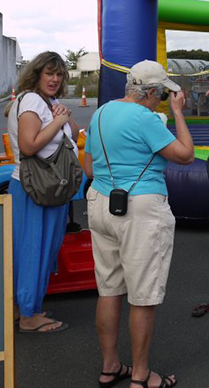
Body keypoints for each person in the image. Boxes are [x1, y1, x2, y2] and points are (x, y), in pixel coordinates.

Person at [84, 60, 195, 388]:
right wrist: (177, 113)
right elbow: (186, 154)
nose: (162, 100)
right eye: (162, 95)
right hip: (141, 208)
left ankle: (110, 366)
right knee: (143, 294)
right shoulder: (147, 118)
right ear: (149, 92)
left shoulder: (101, 113)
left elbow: (89, 168)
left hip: (101, 202)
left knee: (109, 289)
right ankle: (141, 375)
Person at [6, 51, 78, 334]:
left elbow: (72, 133)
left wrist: (63, 118)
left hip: (46, 186)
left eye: (59, 74)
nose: (55, 79)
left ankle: (23, 307)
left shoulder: (49, 102)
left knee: (34, 249)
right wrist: (58, 123)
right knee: (34, 249)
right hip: (36, 186)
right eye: (49, 73)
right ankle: (29, 315)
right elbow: (29, 145)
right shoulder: (33, 101)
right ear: (36, 74)